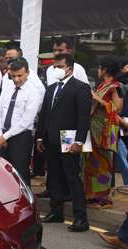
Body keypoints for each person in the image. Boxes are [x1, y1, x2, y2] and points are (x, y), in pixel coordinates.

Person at [36, 54, 92, 232]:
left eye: (59, 67)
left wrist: (79, 140)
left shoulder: (80, 88)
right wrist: (40, 137)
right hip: (51, 137)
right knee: (54, 176)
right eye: (55, 67)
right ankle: (56, 211)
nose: (56, 70)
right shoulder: (51, 88)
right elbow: (45, 114)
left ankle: (80, 218)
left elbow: (84, 117)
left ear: (69, 68)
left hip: (70, 136)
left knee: (72, 177)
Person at [82, 57, 123, 207]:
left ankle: (104, 198)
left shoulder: (116, 86)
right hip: (93, 128)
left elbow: (117, 108)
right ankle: (92, 195)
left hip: (104, 131)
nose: (98, 70)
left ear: (105, 70)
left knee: (103, 163)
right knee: (91, 162)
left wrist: (98, 99)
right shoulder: (102, 85)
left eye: (100, 68)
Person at [0, 59, 43, 185]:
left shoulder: (33, 92)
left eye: (20, 75)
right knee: (4, 171)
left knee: (20, 172)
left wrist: (4, 136)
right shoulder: (7, 88)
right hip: (3, 136)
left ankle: (25, 202)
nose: (16, 79)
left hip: (21, 137)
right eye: (13, 76)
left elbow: (26, 121)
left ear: (27, 73)